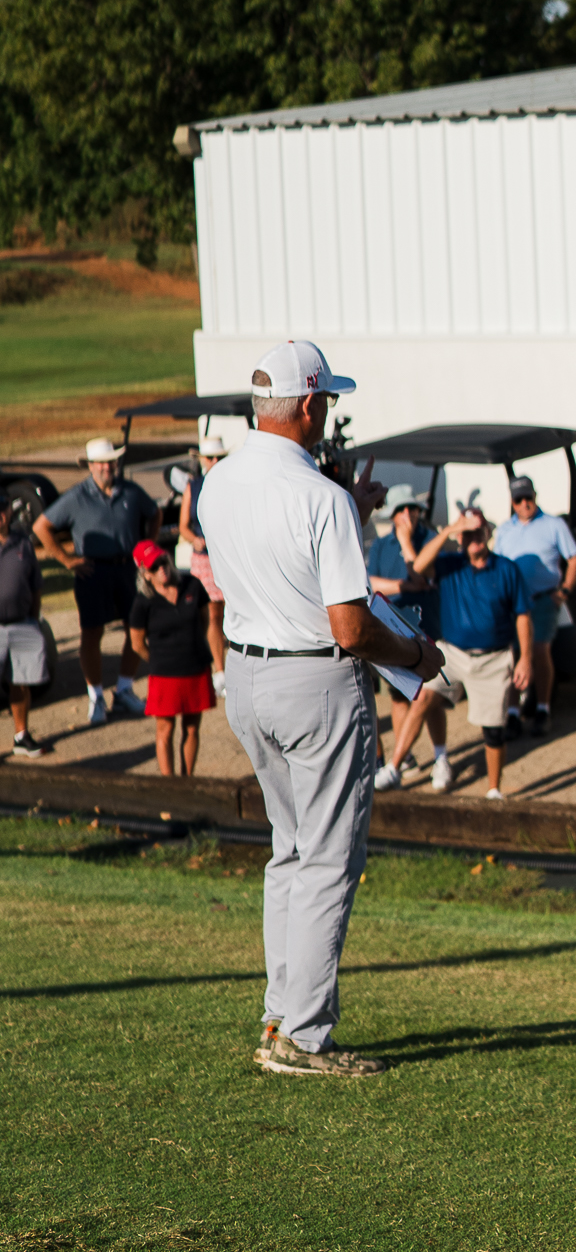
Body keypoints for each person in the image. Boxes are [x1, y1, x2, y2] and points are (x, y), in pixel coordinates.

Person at [199, 340, 442, 1078]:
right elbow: (350, 627)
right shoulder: (322, 498)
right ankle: (302, 1035)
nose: (328, 412)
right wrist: (415, 656)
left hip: (248, 674)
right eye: (327, 401)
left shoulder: (218, 481)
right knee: (329, 858)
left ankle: (282, 1013)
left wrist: (350, 511)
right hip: (314, 681)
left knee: (292, 850)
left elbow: (274, 564)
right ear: (309, 405)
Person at [393, 508, 533, 797]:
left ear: (488, 533)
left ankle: (494, 790)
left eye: (478, 531)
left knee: (493, 730)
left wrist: (526, 659)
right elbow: (417, 568)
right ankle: (393, 768)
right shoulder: (450, 564)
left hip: (494, 657)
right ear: (460, 537)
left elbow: (523, 615)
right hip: (452, 653)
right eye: (467, 533)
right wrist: (448, 530)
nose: (473, 538)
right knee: (422, 698)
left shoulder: (507, 569)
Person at [34, 438, 158, 726]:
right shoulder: (77, 496)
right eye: (100, 463)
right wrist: (66, 560)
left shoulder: (131, 491)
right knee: (92, 634)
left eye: (110, 462)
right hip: (92, 572)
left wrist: (148, 548)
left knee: (136, 629)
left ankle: (124, 689)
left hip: (128, 569)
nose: (106, 467)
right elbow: (41, 526)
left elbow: (155, 514)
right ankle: (96, 696)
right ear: (90, 466)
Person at [367, 484, 450, 791]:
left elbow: (422, 576)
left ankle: (440, 756)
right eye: (400, 510)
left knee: (430, 696)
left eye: (411, 509)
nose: (407, 515)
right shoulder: (381, 544)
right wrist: (403, 586)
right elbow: (372, 582)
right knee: (400, 695)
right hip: (395, 629)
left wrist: (405, 542)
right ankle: (405, 759)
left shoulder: (429, 539)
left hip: (428, 628)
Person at [494, 475, 576, 736]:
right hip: (513, 603)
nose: (524, 504)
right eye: (518, 500)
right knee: (512, 655)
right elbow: (498, 566)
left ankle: (543, 709)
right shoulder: (504, 530)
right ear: (512, 502)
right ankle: (512, 712)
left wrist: (564, 591)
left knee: (539, 650)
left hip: (543, 599)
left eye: (528, 498)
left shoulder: (553, 525)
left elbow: (575, 559)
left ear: (535, 496)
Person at [128, 541, 214, 777]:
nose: (161, 568)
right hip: (165, 674)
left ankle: (187, 781)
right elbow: (137, 643)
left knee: (192, 728)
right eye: (153, 567)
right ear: (145, 574)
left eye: (163, 561)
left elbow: (204, 620)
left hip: (196, 667)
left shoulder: (192, 585)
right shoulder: (142, 602)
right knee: (165, 730)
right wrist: (158, 660)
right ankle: (169, 786)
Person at [177, 435, 229, 692]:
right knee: (212, 613)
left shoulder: (233, 483)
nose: (215, 461)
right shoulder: (194, 486)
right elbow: (183, 526)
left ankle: (224, 667)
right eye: (211, 457)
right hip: (206, 556)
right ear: (203, 460)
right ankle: (219, 670)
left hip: (227, 555)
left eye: (219, 457)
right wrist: (195, 539)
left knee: (226, 612)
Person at [0, 508, 51, 759]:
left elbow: (36, 585)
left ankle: (21, 736)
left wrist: (33, 618)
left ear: (9, 512)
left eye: (2, 508)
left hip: (22, 622)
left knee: (20, 681)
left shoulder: (23, 543)